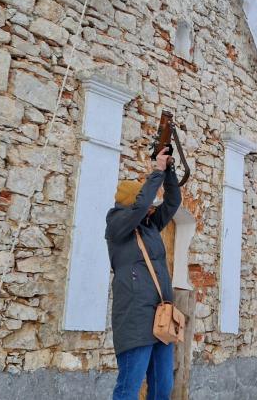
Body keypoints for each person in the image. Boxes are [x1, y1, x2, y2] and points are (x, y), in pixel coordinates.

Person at [106, 147, 182, 400]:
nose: (150, 205)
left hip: (160, 315)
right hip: (134, 317)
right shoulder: (117, 224)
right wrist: (156, 171)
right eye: (143, 199)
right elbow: (139, 208)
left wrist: (169, 170)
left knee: (162, 387)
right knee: (128, 388)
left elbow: (172, 203)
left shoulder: (148, 225)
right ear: (131, 202)